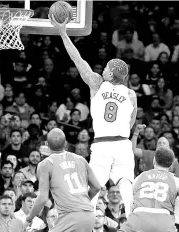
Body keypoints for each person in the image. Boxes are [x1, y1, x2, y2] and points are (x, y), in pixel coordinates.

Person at [49, 13, 137, 216]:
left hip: (102, 144)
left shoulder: (96, 83)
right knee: (126, 182)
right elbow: (131, 121)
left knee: (93, 187)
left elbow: (77, 58)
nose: (103, 68)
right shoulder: (131, 94)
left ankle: (82, 219)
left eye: (106, 68)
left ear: (111, 74)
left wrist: (63, 33)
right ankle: (133, 219)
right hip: (123, 142)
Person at [23, 128, 101, 232]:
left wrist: (28, 219)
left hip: (69, 216)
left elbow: (42, 198)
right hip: (89, 215)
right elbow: (96, 187)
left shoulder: (45, 164)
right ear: (65, 143)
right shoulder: (81, 159)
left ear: (47, 144)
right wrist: (83, 203)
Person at [119, 147, 179, 232]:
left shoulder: (139, 177)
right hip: (164, 222)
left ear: (154, 160)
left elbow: (129, 205)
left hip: (138, 218)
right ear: (171, 165)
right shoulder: (177, 181)